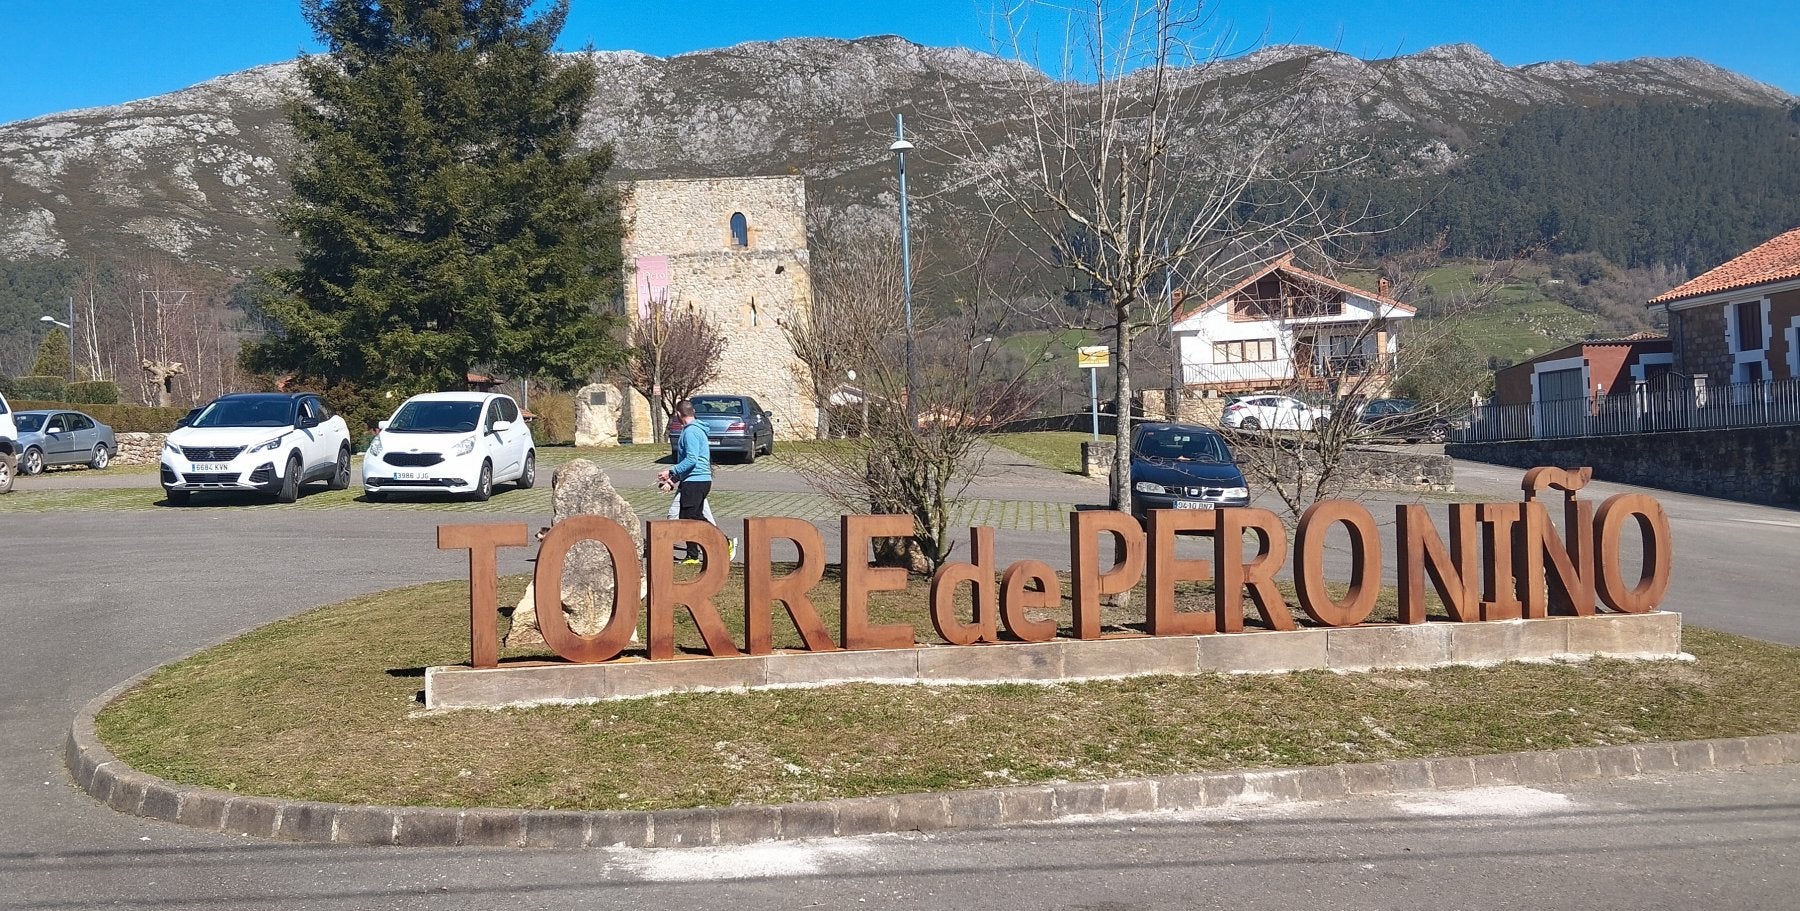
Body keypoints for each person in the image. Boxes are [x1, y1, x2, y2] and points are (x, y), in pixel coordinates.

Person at [658, 399, 721, 565]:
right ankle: (692, 555)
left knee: (691, 517)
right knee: (689, 517)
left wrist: (671, 470)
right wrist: (672, 480)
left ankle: (723, 541)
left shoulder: (691, 432)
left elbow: (691, 459)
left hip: (696, 481)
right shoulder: (694, 430)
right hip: (694, 480)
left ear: (679, 414)